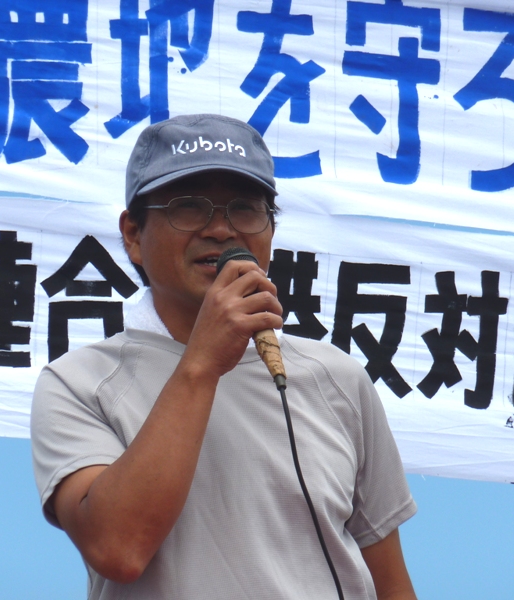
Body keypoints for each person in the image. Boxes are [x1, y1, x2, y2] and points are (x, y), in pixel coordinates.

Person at [31, 113, 418, 599]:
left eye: (245, 209)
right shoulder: (79, 383)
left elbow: (391, 584)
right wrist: (202, 363)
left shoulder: (337, 377)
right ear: (132, 234)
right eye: (189, 208)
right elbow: (118, 547)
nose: (220, 229)